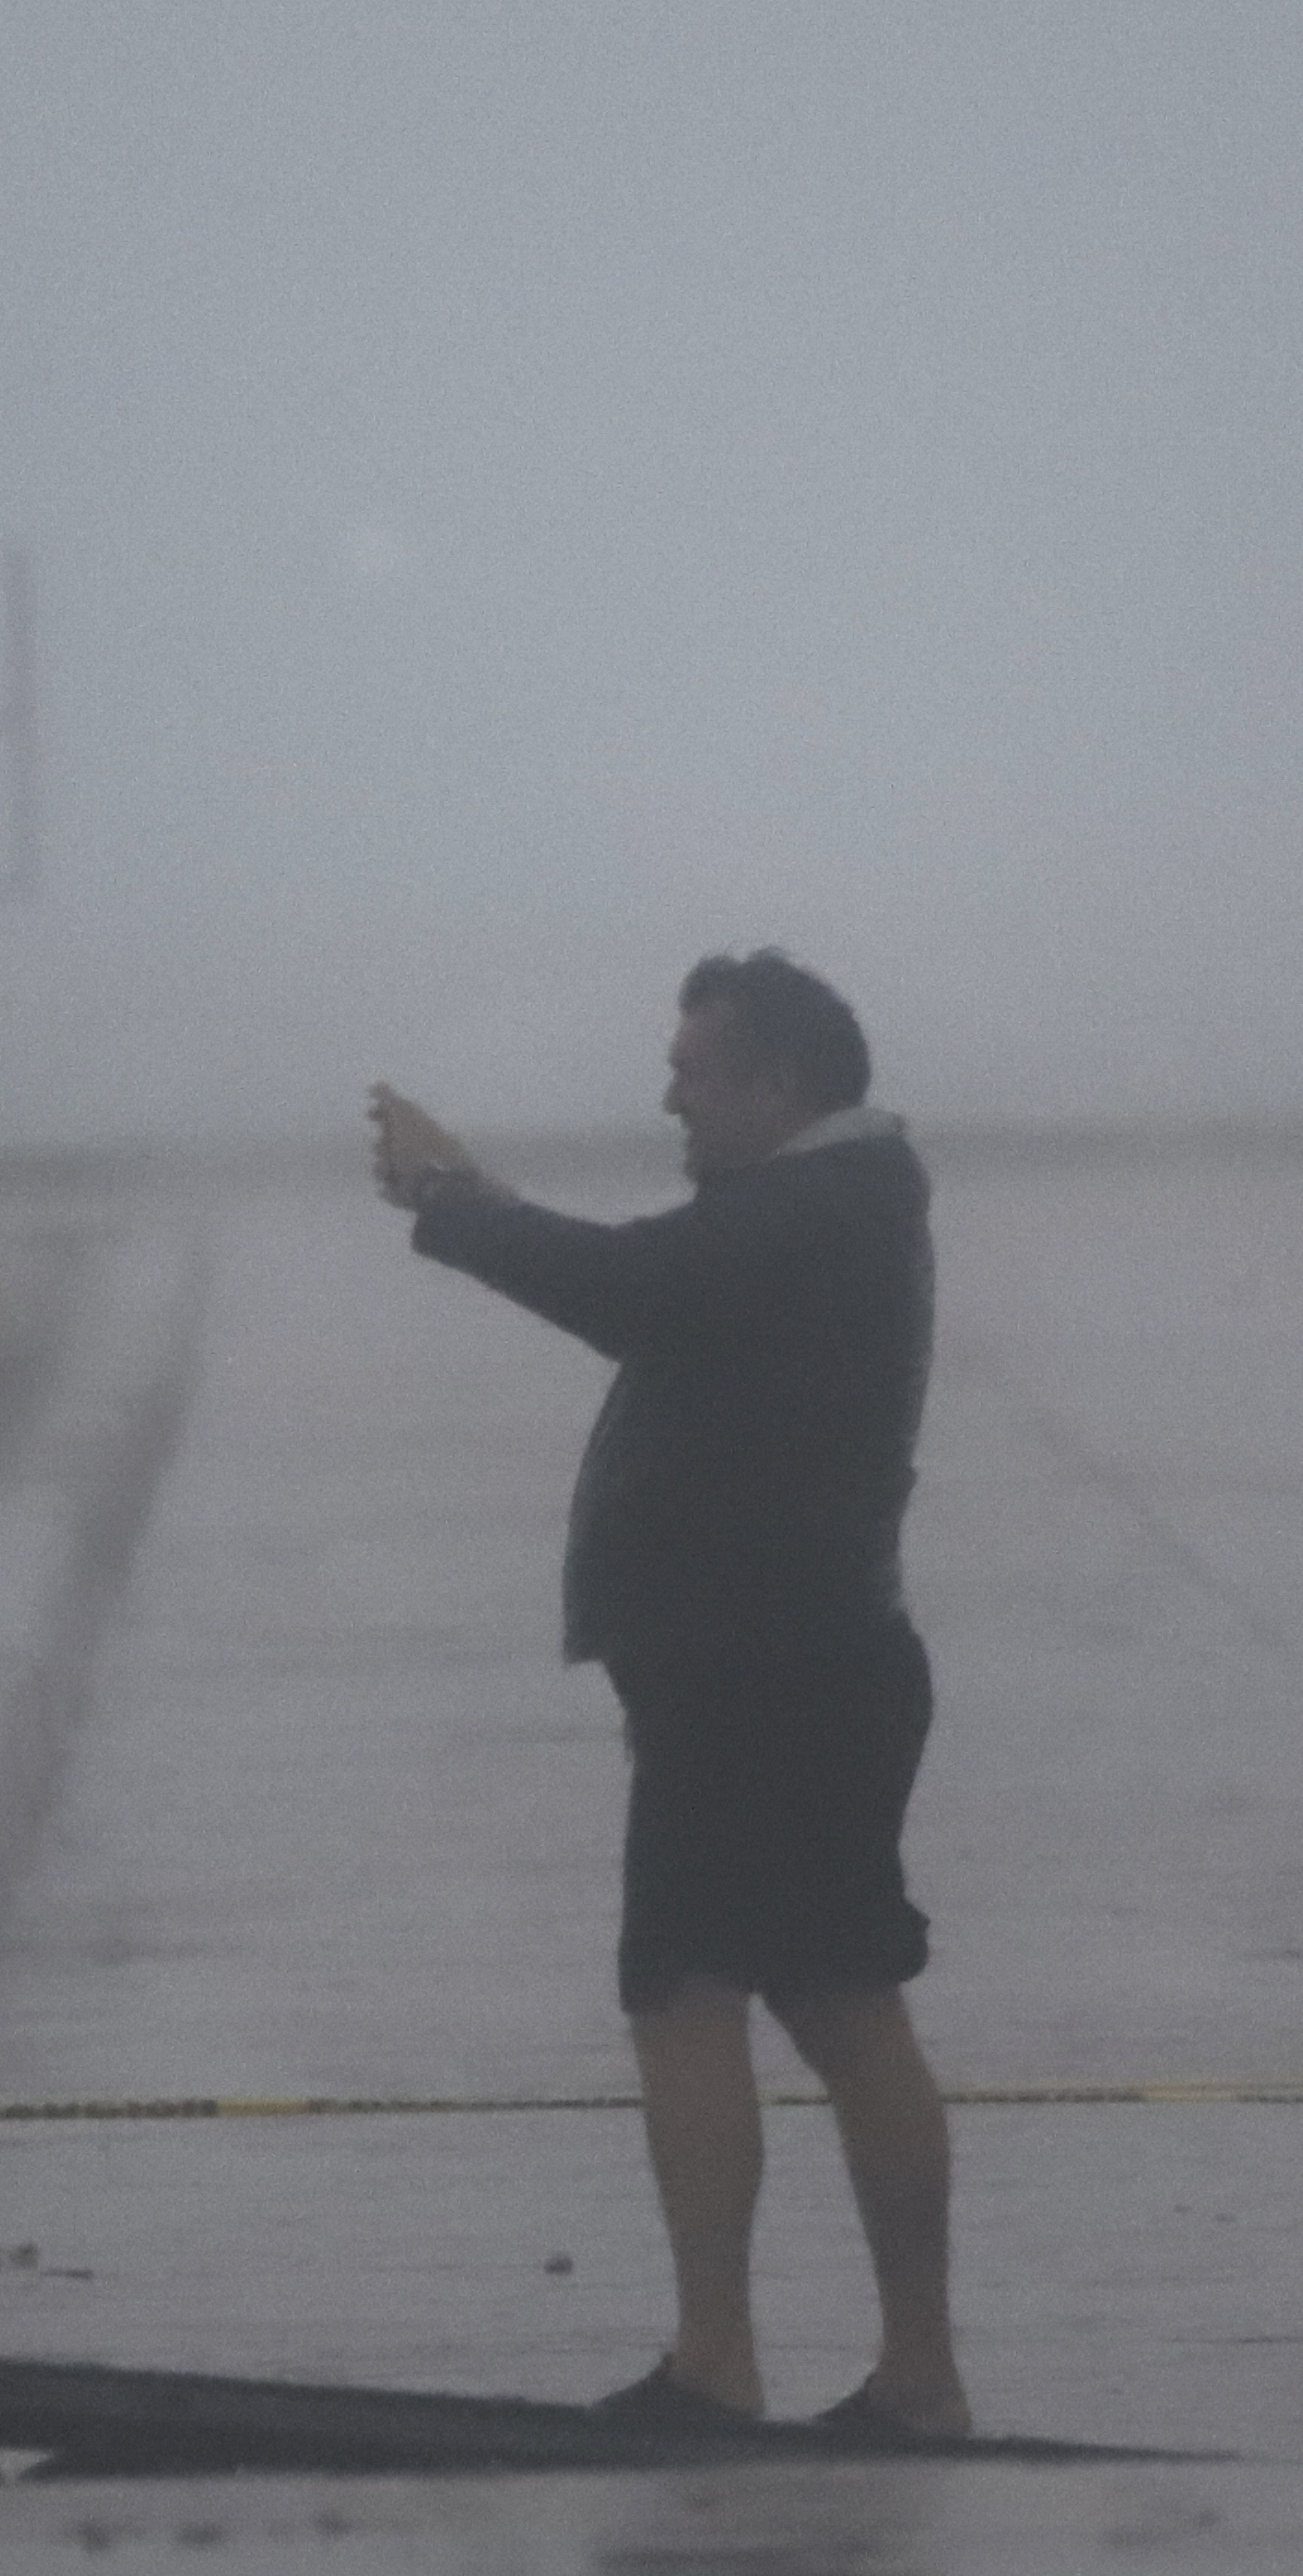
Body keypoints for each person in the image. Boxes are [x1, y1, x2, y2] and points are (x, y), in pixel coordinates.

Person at [366, 949, 968, 2441]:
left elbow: (625, 1288)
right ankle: (908, 2372)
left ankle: (724, 2362)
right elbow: (657, 1291)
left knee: (693, 1994)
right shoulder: (839, 1203)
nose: (668, 1096)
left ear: (779, 1085)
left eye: (694, 1072)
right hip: (806, 1666)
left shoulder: (808, 1209)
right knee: (839, 2002)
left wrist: (454, 1201)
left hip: (764, 1678)